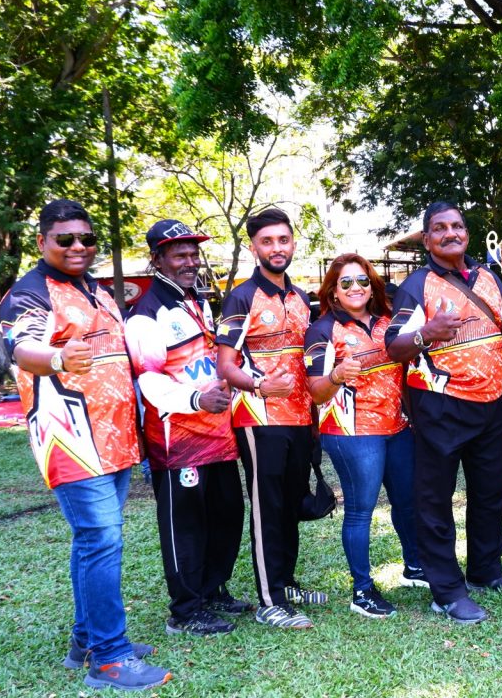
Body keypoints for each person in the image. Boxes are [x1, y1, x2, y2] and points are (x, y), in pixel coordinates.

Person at [0, 199, 171, 691]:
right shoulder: (28, 294)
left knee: (93, 542)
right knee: (101, 540)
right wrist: (57, 358)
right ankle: (110, 658)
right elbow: (23, 348)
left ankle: (86, 640)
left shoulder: (95, 288)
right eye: (65, 239)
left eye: (86, 238)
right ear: (42, 242)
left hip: (115, 437)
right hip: (72, 440)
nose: (78, 246)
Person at [384, 201, 502, 625]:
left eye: (456, 226)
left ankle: (486, 569)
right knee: (435, 500)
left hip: (491, 401)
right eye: (439, 228)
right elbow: (394, 346)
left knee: (490, 492)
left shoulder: (488, 276)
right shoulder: (417, 285)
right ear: (427, 239)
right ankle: (447, 591)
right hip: (441, 404)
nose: (449, 233)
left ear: (467, 234)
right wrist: (426, 333)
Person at [125, 220, 251, 636]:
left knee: (226, 515)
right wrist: (196, 400)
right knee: (186, 527)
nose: (190, 262)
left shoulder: (196, 299)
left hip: (219, 436)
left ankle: (213, 590)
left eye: (193, 253)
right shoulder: (147, 314)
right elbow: (148, 381)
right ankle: (185, 610)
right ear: (157, 260)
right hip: (178, 442)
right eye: (179, 255)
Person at [215, 207, 325, 629]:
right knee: (267, 507)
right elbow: (226, 366)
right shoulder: (241, 297)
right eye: (267, 241)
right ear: (253, 248)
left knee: (290, 505)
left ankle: (286, 585)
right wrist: (260, 386)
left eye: (283, 240)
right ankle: (269, 601)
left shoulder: (300, 296)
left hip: (300, 416)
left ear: (293, 243)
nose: (277, 248)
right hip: (260, 418)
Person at [304, 254, 425, 619]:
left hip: (397, 428)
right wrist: (337, 375)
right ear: (333, 291)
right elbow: (316, 392)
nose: (355, 288)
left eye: (363, 281)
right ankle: (362, 590)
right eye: (346, 282)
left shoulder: (389, 321)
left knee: (408, 502)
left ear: (373, 286)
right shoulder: (322, 330)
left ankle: (415, 567)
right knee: (361, 511)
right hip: (352, 433)